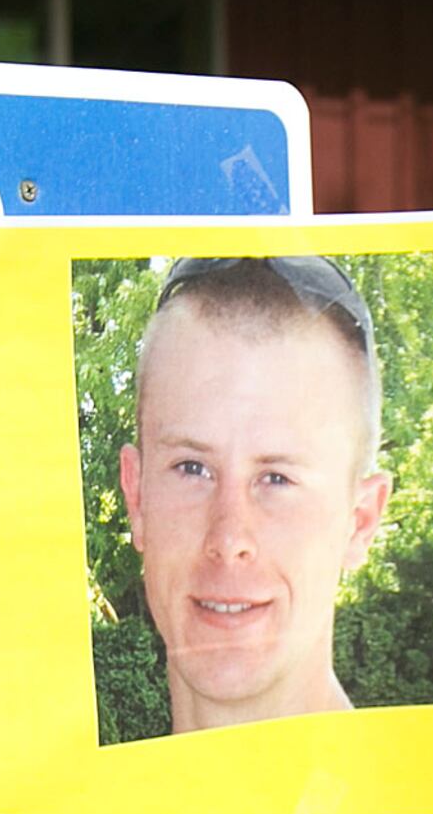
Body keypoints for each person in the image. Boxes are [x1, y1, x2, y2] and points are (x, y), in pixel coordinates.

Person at [113, 253, 393, 733]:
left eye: (277, 479)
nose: (228, 539)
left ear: (360, 521)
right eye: (192, 468)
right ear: (136, 496)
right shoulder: (80, 804)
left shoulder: (412, 807)